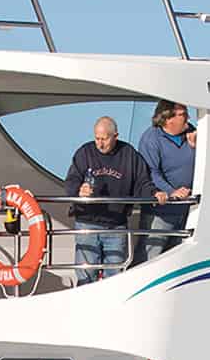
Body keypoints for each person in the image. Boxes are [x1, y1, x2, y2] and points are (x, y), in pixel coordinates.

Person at [63, 115, 152, 284]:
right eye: (97, 138)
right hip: (87, 223)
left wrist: (155, 194)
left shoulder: (129, 154)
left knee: (116, 278)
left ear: (115, 136)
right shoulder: (85, 152)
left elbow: (142, 183)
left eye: (104, 139)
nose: (100, 143)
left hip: (116, 225)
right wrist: (78, 190)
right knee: (85, 277)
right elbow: (71, 181)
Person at [134, 100, 196, 258]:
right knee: (150, 255)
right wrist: (172, 192)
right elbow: (151, 172)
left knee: (179, 257)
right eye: (183, 115)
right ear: (168, 118)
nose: (187, 118)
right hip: (161, 211)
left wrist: (197, 146)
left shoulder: (192, 133)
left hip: (188, 209)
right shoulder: (151, 138)